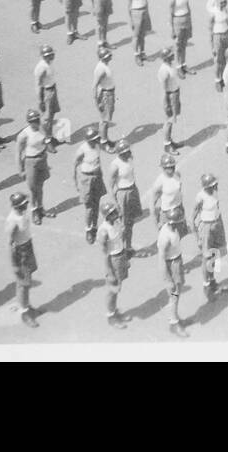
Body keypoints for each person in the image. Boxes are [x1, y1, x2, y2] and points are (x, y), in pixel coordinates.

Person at [5, 192, 40, 327]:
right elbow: (11, 243)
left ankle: (24, 304)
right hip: (20, 252)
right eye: (24, 204)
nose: (27, 205)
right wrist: (15, 264)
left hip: (27, 247)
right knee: (24, 283)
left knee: (25, 280)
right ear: (18, 206)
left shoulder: (21, 214)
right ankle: (25, 313)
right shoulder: (13, 220)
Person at [97, 198, 130, 327]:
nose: (115, 214)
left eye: (114, 211)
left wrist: (125, 257)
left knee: (118, 287)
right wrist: (109, 271)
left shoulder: (116, 223)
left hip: (120, 256)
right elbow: (105, 253)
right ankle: (111, 316)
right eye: (111, 213)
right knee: (112, 289)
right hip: (113, 260)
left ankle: (114, 311)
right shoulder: (104, 230)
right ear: (106, 216)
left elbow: (120, 240)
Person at [156, 202, 188, 335]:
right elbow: (161, 259)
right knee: (174, 294)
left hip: (177, 261)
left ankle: (174, 316)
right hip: (171, 264)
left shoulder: (172, 228)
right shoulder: (165, 237)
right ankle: (173, 323)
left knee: (177, 292)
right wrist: (167, 279)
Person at [193, 173, 226, 297]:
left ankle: (212, 280)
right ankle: (206, 284)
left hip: (216, 224)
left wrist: (219, 224)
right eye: (212, 185)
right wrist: (197, 238)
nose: (215, 186)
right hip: (206, 227)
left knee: (215, 254)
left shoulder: (214, 193)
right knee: (206, 257)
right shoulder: (200, 197)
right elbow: (193, 217)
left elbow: (217, 207)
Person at [107, 140, 142, 254]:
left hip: (132, 190)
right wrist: (115, 202)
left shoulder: (129, 159)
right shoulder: (115, 165)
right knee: (123, 225)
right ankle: (120, 250)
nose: (129, 153)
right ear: (120, 153)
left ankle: (128, 247)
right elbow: (110, 185)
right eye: (126, 152)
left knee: (130, 222)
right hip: (123, 193)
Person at [16, 109, 50, 222]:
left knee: (40, 187)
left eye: (37, 119)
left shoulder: (42, 128)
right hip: (30, 161)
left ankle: (41, 208)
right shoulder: (24, 135)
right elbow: (18, 153)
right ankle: (34, 211)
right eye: (33, 121)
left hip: (42, 159)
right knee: (33, 189)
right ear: (29, 122)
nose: (36, 122)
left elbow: (44, 141)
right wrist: (20, 169)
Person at [73, 127, 106, 244]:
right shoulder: (82, 150)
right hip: (86, 178)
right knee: (89, 207)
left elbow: (98, 161)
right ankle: (88, 229)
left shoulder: (97, 146)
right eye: (94, 139)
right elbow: (75, 165)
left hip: (96, 176)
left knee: (96, 204)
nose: (96, 141)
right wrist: (76, 181)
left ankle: (94, 227)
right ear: (88, 140)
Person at [158, 45, 183, 152]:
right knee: (169, 120)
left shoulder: (169, 66)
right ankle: (167, 144)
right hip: (170, 95)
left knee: (172, 120)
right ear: (166, 57)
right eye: (170, 54)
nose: (173, 55)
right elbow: (164, 88)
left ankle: (170, 140)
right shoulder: (164, 70)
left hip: (175, 94)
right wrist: (166, 103)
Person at [92, 44, 117, 151]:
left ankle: (105, 139)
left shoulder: (104, 65)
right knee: (104, 120)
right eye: (108, 56)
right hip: (106, 95)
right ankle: (103, 142)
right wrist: (97, 101)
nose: (110, 57)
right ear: (104, 58)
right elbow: (95, 86)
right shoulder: (101, 69)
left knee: (106, 119)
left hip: (109, 93)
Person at [127, 0, 151, 65]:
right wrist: (131, 19)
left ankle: (142, 53)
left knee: (143, 34)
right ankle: (136, 55)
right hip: (136, 12)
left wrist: (147, 13)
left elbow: (146, 0)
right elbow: (129, 5)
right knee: (136, 35)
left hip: (144, 11)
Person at [168, 0, 192, 71]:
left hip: (186, 18)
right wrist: (172, 29)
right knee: (178, 45)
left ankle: (184, 64)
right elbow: (170, 13)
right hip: (177, 20)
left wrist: (190, 23)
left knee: (184, 44)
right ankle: (178, 67)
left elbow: (188, 6)